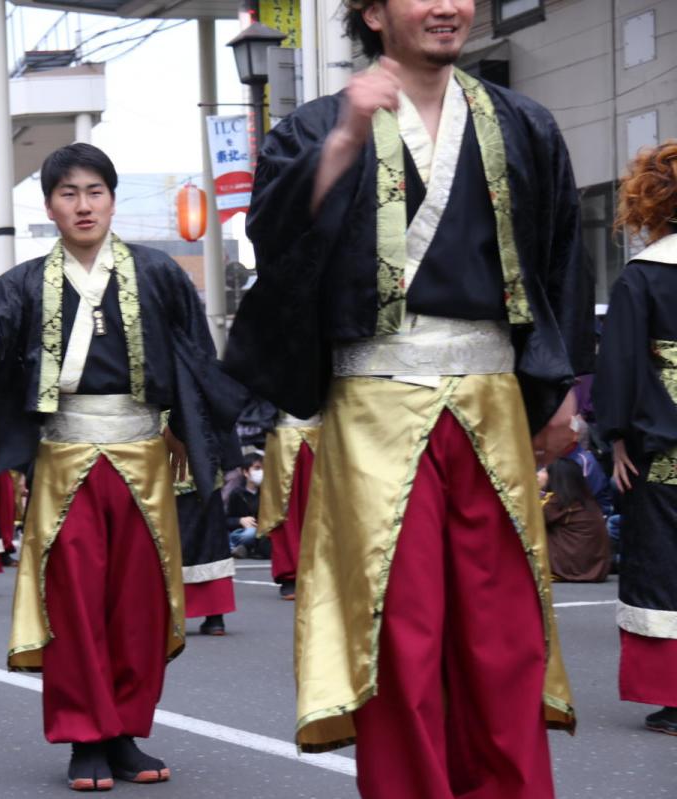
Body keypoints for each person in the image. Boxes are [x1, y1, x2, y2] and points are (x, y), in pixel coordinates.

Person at [226, 2, 591, 795]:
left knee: (504, 630)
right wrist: (344, 142)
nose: (447, 6)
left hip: (493, 396)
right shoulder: (315, 127)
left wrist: (559, 385)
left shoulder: (524, 123)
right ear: (372, 11)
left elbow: (560, 255)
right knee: (399, 628)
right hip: (373, 402)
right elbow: (273, 243)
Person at [0, 143, 245, 791]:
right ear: (49, 207)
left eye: (94, 191)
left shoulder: (157, 273)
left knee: (138, 601)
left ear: (113, 199)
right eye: (68, 193)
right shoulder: (23, 284)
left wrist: (196, 436)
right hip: (65, 458)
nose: (83, 205)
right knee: (72, 601)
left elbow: (193, 358)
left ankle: (124, 731)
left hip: (143, 454)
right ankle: (83, 736)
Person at [592, 139, 677, 737]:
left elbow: (619, 365)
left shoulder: (643, 276)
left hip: (665, 445)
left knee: (664, 562)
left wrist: (617, 440)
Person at [256, 414, 319, 600]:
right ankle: (289, 574)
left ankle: (321, 572)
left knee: (320, 508)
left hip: (322, 433)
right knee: (284, 509)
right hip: (282, 434)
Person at [175, 470, 236, 636]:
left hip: (169, 475)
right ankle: (215, 618)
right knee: (211, 541)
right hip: (206, 472)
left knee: (173, 542)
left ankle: (170, 614)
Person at [542, 458, 611, 582]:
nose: (537, 474)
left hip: (572, 568)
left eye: (544, 471)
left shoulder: (559, 502)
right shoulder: (586, 500)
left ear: (555, 477)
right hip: (595, 570)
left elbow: (529, 520)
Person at [225, 453, 263, 558]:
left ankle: (242, 549)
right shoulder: (237, 494)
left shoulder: (265, 493)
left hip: (260, 531)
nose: (261, 472)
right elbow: (226, 520)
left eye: (263, 469)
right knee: (250, 533)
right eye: (257, 468)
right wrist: (240, 520)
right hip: (242, 531)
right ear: (246, 472)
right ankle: (233, 547)